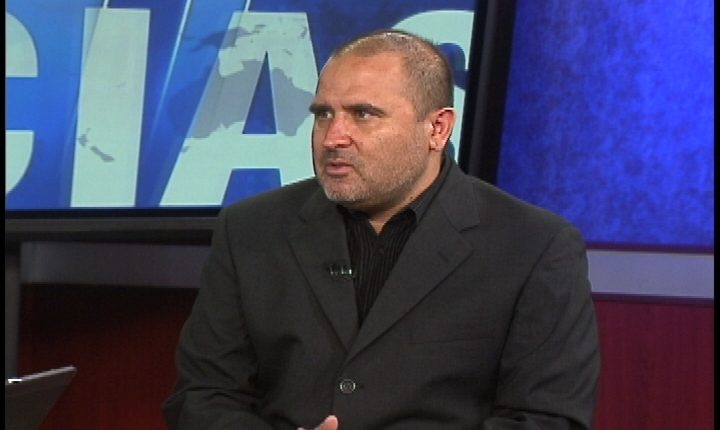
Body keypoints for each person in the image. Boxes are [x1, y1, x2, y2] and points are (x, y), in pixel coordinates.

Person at [163, 29, 600, 430]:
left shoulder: (534, 246)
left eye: (363, 114)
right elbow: (202, 398)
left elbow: (547, 421)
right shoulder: (251, 229)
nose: (333, 137)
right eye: (323, 114)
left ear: (437, 128)